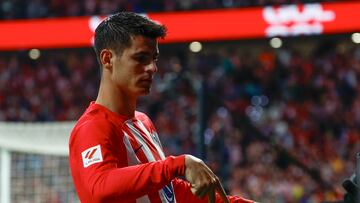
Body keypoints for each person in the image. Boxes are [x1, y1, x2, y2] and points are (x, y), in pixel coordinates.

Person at [69, 11, 254, 203]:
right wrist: (177, 164)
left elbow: (168, 192)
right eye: (141, 58)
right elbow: (99, 187)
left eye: (154, 59)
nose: (152, 68)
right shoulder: (92, 127)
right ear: (108, 59)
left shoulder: (143, 122)